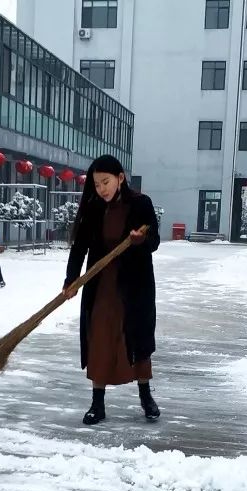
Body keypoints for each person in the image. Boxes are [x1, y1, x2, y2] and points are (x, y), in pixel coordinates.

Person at [62, 154, 160, 426]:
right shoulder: (94, 208)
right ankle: (97, 403)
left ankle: (145, 397)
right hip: (101, 284)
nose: (101, 188)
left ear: (120, 178)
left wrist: (140, 241)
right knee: (101, 338)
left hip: (134, 285)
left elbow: (154, 240)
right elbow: (80, 246)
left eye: (105, 182)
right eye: (96, 184)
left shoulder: (141, 204)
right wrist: (71, 279)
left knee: (137, 340)